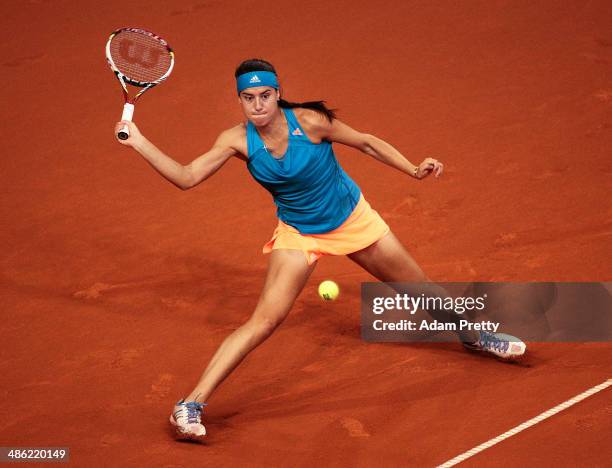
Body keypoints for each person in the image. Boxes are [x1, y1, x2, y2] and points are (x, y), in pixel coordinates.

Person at [114, 58, 526, 442]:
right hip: (300, 234)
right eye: (247, 97)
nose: (257, 105)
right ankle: (189, 405)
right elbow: (187, 177)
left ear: (277, 94)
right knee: (264, 321)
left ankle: (475, 336)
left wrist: (412, 169)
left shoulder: (310, 122)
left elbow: (365, 143)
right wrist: (139, 142)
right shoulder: (236, 140)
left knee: (419, 289)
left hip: (352, 219)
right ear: (239, 99)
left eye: (264, 96)